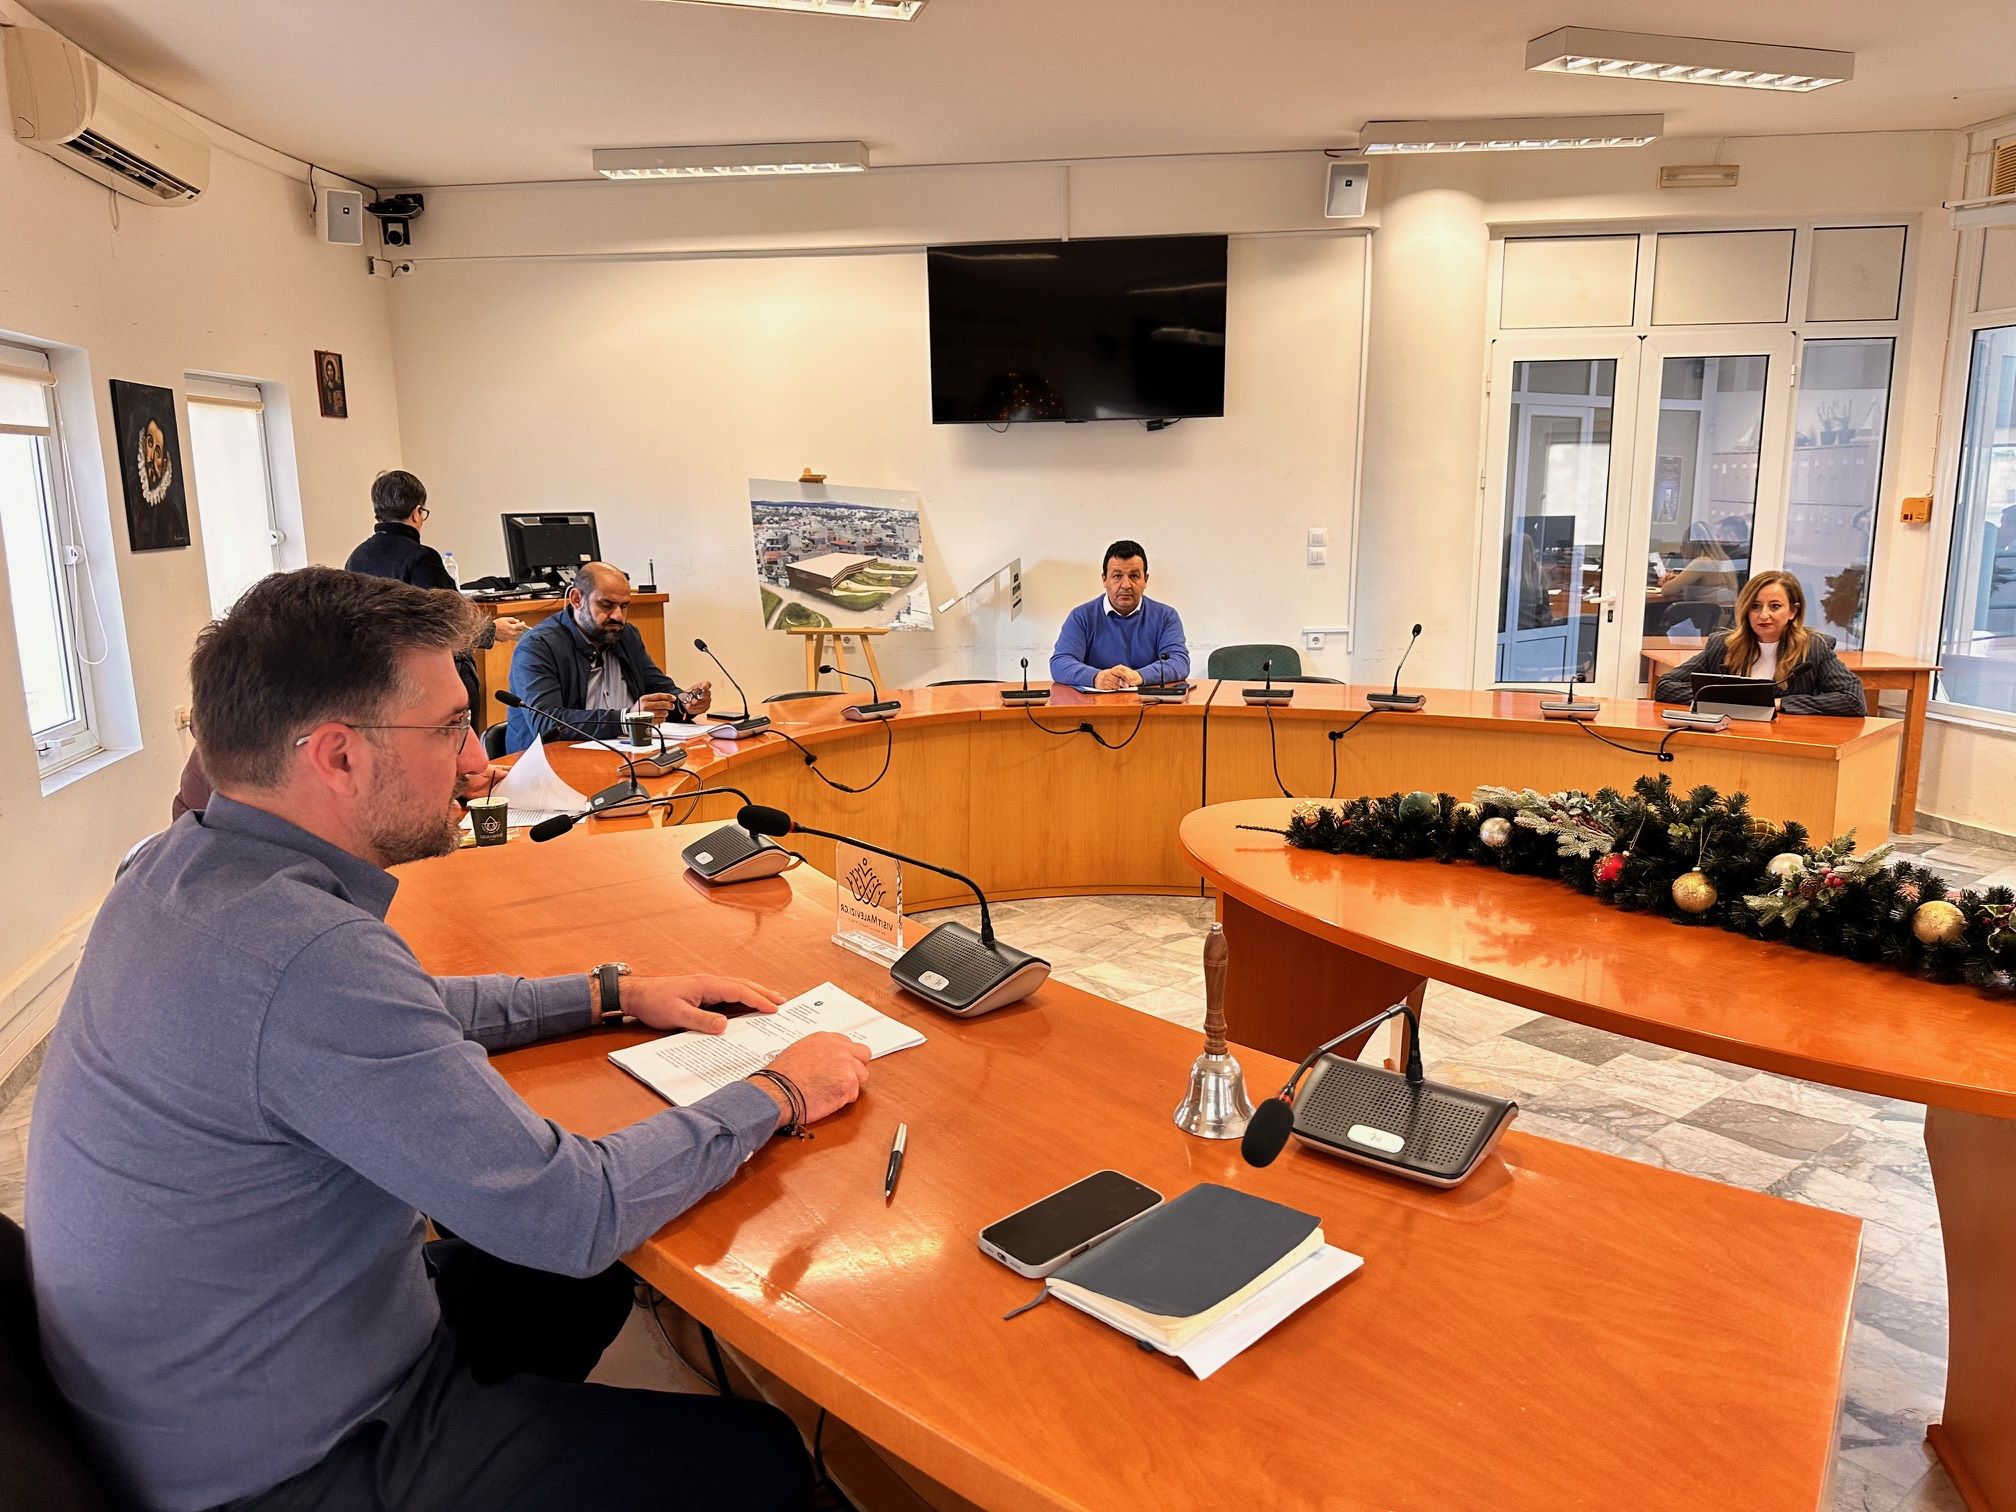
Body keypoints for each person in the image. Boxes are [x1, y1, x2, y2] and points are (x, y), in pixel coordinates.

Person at [29, 569, 869, 1511]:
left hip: (202, 1380)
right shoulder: (305, 953)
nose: (477, 761)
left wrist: (612, 993)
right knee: (754, 1458)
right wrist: (778, 1091)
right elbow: (572, 1210)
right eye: (451, 728)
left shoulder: (176, 870)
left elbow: (398, 1008)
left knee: (585, 1286)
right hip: (291, 1465)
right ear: (339, 756)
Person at [346, 470, 524, 719]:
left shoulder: (357, 556)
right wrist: (492, 631)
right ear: (416, 512)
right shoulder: (421, 557)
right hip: (426, 679)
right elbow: (448, 622)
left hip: (377, 679)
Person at [505, 562, 712, 752]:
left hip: (621, 753)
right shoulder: (538, 646)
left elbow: (657, 689)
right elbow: (547, 723)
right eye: (606, 605)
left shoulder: (625, 635)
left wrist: (684, 702)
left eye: (624, 606)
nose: (618, 616)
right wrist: (624, 719)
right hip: (551, 763)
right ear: (577, 599)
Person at [1652, 569, 1869, 716]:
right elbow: (1666, 686)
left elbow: (1853, 699)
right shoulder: (1723, 645)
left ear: (1793, 611)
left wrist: (1778, 703)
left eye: (1775, 606)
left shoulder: (1814, 648)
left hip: (1784, 742)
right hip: (1728, 736)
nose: (1763, 615)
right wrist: (1727, 699)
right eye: (1755, 606)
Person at [1048, 539, 1189, 690]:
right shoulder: (1081, 617)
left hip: (1149, 701)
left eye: (1134, 576)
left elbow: (1179, 662)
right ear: (1104, 580)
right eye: (1117, 576)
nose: (1126, 585)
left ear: (1145, 580)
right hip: (1095, 702)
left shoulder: (1166, 616)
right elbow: (1060, 663)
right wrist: (1096, 677)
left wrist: (1139, 676)